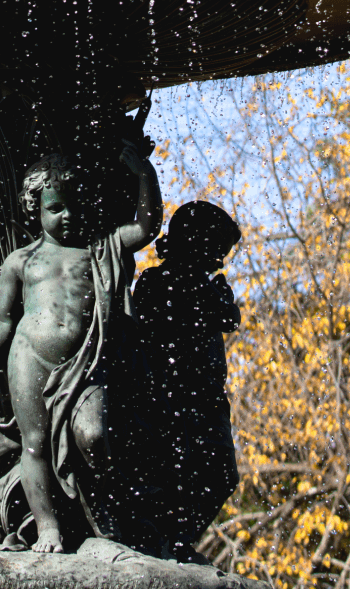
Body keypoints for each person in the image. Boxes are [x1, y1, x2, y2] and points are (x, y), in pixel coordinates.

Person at [0, 144, 160, 552]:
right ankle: (48, 528)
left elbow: (146, 227)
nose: (68, 216)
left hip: (86, 362)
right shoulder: (21, 261)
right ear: (36, 208)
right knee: (35, 442)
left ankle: (105, 520)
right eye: (56, 208)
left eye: (76, 205)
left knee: (94, 434)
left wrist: (143, 174)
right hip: (30, 358)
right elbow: (3, 320)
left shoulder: (102, 249)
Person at [132, 200, 242, 558]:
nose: (220, 261)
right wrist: (219, 299)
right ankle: (167, 539)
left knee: (222, 472)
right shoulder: (159, 280)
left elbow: (228, 318)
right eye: (216, 252)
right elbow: (224, 316)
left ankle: (178, 538)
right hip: (170, 394)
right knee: (172, 469)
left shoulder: (200, 285)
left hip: (207, 397)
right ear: (195, 243)